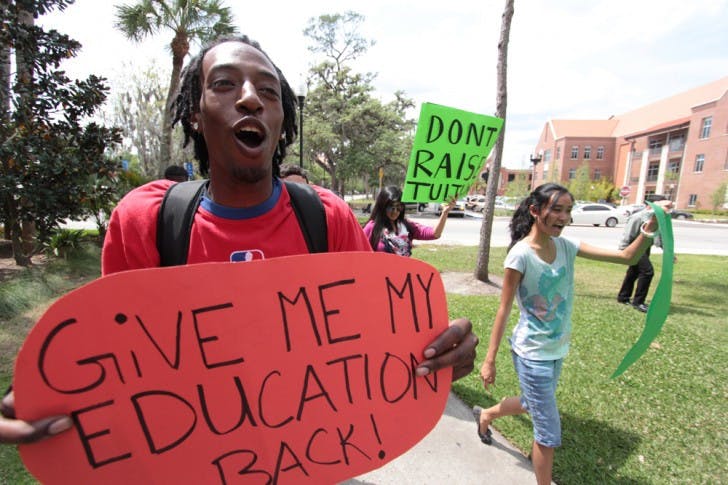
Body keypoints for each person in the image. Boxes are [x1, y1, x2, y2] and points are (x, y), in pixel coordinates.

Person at [1, 35, 477, 445]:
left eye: (268, 91)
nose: (250, 98)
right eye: (225, 84)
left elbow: (373, 347)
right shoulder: (146, 220)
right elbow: (120, 366)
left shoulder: (326, 217)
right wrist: (55, 392)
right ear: (194, 113)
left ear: (281, 118)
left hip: (311, 459)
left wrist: (439, 354)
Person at [472, 183, 672, 485]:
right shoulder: (520, 255)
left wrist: (650, 226)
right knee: (548, 433)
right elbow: (503, 310)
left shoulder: (567, 246)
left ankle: (487, 415)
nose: (564, 217)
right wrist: (489, 361)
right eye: (556, 209)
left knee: (530, 404)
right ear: (536, 210)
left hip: (556, 350)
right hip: (532, 354)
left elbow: (628, 258)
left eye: (568, 210)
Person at [363, 185, 455, 256]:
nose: (395, 212)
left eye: (399, 207)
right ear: (382, 207)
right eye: (391, 207)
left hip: (404, 279)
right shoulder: (372, 228)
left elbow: (435, 234)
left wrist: (445, 212)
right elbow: (359, 254)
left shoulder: (407, 226)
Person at [617, 199, 669, 313]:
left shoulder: (657, 218)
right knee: (647, 272)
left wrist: (667, 251)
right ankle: (638, 302)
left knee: (633, 272)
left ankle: (623, 297)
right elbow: (628, 235)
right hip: (634, 248)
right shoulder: (638, 217)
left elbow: (659, 236)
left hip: (645, 248)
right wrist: (624, 250)